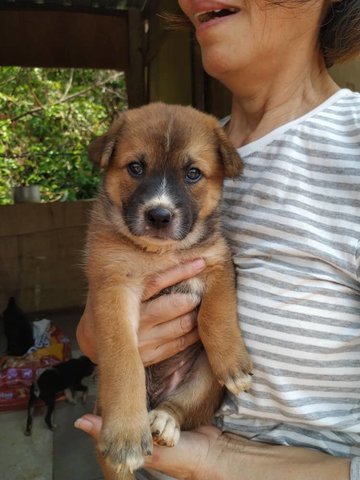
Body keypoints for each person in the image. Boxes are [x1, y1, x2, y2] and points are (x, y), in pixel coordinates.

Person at [75, 1, 360, 478]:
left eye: (192, 175)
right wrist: (102, 339)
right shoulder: (193, 134)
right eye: (138, 170)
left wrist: (223, 461)